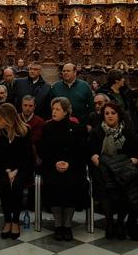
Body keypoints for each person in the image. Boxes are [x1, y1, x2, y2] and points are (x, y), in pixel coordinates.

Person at [89, 102, 138, 240]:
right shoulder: (97, 131)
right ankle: (109, 222)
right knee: (106, 187)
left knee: (126, 186)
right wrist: (99, 162)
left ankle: (120, 222)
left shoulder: (127, 131)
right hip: (103, 168)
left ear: (119, 115)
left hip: (124, 168)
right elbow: (91, 152)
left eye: (113, 113)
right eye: (107, 113)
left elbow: (137, 153)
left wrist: (126, 165)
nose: (110, 116)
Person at [37, 97, 88, 241]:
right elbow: (43, 150)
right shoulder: (47, 127)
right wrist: (55, 163)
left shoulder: (76, 128)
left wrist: (68, 163)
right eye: (53, 109)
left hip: (73, 166)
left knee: (73, 183)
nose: (54, 112)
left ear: (66, 112)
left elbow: (80, 150)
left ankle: (67, 225)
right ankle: (58, 225)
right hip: (51, 165)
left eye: (58, 109)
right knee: (53, 184)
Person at [0, 103, 33, 239]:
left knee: (18, 186)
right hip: (2, 168)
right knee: (5, 185)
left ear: (8, 118)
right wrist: (7, 171)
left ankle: (15, 221)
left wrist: (16, 171)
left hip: (22, 168)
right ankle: (7, 220)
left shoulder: (25, 130)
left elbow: (28, 155)